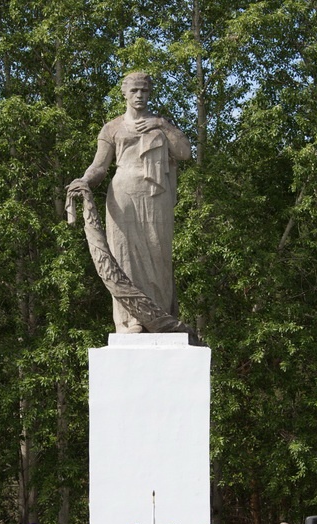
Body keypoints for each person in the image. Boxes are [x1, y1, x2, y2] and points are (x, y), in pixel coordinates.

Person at [66, 72, 192, 333]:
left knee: (159, 255)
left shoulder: (160, 124)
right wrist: (85, 181)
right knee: (125, 258)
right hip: (123, 196)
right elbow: (99, 167)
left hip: (157, 197)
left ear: (150, 93)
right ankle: (132, 320)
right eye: (134, 91)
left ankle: (160, 318)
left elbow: (185, 153)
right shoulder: (112, 128)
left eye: (144, 91)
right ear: (124, 93)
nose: (139, 96)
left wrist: (162, 125)